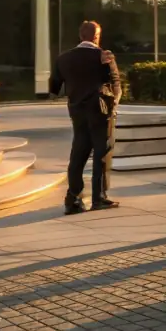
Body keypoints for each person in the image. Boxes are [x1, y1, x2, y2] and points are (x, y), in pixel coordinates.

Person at [49, 20, 121, 215]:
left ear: (80, 36)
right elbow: (115, 84)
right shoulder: (104, 56)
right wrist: (114, 105)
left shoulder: (63, 59)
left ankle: (73, 198)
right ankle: (99, 197)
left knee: (78, 152)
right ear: (96, 36)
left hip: (77, 110)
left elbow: (54, 88)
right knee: (102, 153)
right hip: (101, 110)